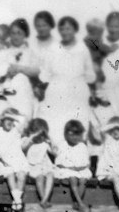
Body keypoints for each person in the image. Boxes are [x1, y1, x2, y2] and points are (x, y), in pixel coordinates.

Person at [37, 16, 95, 154]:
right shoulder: (53, 48)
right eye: (62, 29)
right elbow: (45, 72)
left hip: (77, 90)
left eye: (68, 28)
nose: (65, 32)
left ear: (75, 30)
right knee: (55, 120)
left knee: (78, 118)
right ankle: (58, 153)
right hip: (57, 89)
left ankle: (76, 155)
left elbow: (89, 74)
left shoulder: (82, 49)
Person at [0, 108, 30, 212]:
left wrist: (19, 114)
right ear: (2, 121)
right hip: (4, 160)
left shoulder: (15, 132)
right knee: (10, 173)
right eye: (7, 120)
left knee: (22, 174)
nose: (9, 122)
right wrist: (2, 161)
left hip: (17, 159)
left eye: (12, 120)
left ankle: (16, 200)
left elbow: (25, 122)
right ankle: (17, 200)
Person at [53, 120, 91, 212]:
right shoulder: (62, 145)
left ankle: (76, 202)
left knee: (83, 180)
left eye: (77, 135)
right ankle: (80, 203)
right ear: (66, 134)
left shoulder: (82, 146)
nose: (75, 137)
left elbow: (86, 162)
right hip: (66, 169)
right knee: (73, 178)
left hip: (80, 169)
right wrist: (71, 168)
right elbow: (59, 162)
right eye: (72, 135)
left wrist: (79, 168)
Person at [82, 18, 117, 106]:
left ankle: (94, 97)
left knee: (94, 83)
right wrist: (111, 48)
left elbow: (101, 51)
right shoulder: (91, 39)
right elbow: (101, 47)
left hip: (94, 64)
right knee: (98, 81)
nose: (100, 35)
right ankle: (99, 97)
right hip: (92, 64)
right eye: (99, 32)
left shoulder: (93, 40)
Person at [24, 118, 57, 209]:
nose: (40, 137)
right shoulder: (29, 141)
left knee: (50, 175)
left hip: (45, 166)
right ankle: (43, 199)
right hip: (34, 167)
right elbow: (23, 149)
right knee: (40, 177)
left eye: (42, 135)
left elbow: (55, 152)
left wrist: (49, 139)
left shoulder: (45, 143)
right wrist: (32, 137)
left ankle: (44, 199)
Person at [29, 11, 58, 103]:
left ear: (51, 25)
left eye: (44, 25)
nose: (41, 28)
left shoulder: (57, 45)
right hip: (33, 84)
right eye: (38, 25)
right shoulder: (31, 44)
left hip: (53, 85)